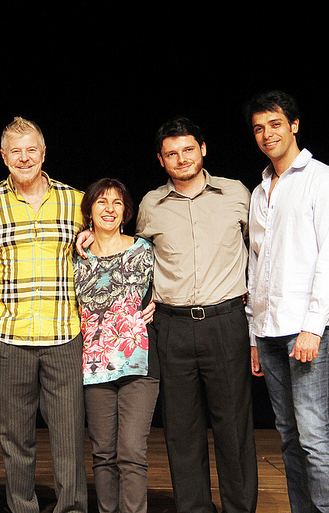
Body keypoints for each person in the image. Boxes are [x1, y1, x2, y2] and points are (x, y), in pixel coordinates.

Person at [0, 117, 87, 513]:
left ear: (44, 153)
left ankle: (72, 509)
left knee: (68, 437)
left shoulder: (77, 201)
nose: (24, 158)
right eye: (16, 151)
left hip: (64, 336)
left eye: (32, 149)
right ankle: (23, 508)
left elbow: (103, 251)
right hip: (9, 339)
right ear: (3, 157)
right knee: (16, 440)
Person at [135, 117, 258, 513]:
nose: (181, 158)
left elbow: (261, 255)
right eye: (171, 153)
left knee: (233, 427)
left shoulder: (236, 193)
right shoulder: (151, 205)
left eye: (188, 149)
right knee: (182, 431)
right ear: (161, 160)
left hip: (226, 322)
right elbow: (132, 254)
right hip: (172, 327)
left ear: (202, 149)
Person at [245, 90, 329, 513]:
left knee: (314, 435)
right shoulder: (261, 190)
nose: (267, 133)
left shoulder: (326, 181)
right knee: (289, 436)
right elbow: (258, 267)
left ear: (294, 125)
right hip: (269, 330)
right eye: (259, 127)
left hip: (307, 328)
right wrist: (254, 333)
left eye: (275, 124)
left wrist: (313, 326)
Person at [73, 178, 158, 513]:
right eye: (101, 202)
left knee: (131, 452)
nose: (109, 209)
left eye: (117, 203)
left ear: (126, 211)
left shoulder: (144, 250)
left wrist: (159, 306)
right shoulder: (77, 256)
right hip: (93, 365)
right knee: (104, 454)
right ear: (89, 211)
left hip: (139, 364)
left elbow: (170, 288)